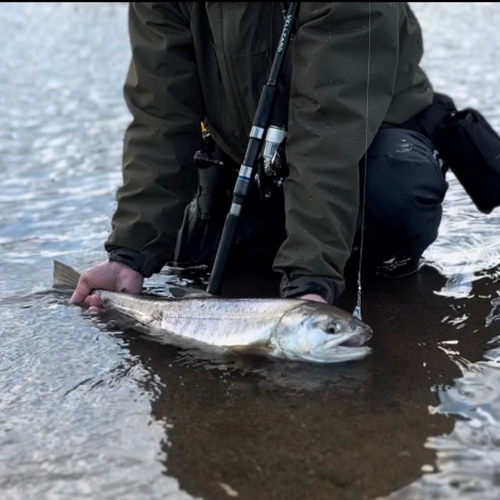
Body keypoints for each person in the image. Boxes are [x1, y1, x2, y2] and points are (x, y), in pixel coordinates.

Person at [71, 2, 448, 311]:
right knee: (192, 254)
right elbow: (161, 116)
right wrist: (130, 254)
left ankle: (354, 264)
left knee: (395, 193)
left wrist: (309, 282)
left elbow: (326, 136)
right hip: (248, 155)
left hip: (360, 145)